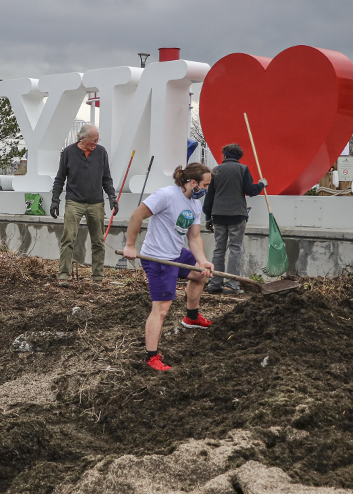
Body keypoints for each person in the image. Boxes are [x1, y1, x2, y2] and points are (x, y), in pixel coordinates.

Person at [122, 163, 216, 370]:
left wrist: (202, 261)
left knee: (200, 275)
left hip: (176, 253)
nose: (207, 189)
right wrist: (130, 245)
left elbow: (194, 236)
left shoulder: (194, 204)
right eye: (205, 185)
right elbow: (137, 214)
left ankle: (191, 318)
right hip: (157, 258)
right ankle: (151, 356)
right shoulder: (165, 195)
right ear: (193, 183)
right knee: (162, 309)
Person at [51, 124, 117, 285]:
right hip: (74, 201)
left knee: (98, 241)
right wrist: (55, 200)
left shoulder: (101, 153)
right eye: (93, 141)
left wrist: (112, 198)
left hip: (96, 203)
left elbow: (106, 178)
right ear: (83, 138)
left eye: (97, 140)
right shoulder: (68, 153)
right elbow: (60, 178)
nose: (95, 143)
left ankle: (97, 277)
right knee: (68, 238)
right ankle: (64, 275)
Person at [203, 143, 267, 293]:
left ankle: (214, 283)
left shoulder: (215, 171)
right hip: (237, 215)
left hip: (218, 215)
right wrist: (262, 184)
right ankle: (231, 285)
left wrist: (208, 217)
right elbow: (250, 191)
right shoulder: (242, 169)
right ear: (239, 157)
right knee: (235, 249)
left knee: (219, 249)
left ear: (224, 155)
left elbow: (209, 198)